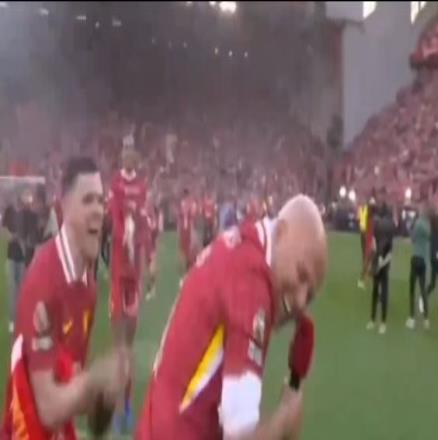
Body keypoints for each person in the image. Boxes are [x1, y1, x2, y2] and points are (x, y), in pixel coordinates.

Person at [136, 194, 328, 440]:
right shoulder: (252, 283)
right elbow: (240, 436)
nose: (301, 300)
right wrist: (284, 419)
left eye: (309, 295)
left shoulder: (242, 245)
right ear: (280, 232)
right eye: (301, 274)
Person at [2, 157, 130, 439]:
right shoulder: (44, 281)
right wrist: (95, 381)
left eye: (101, 201)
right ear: (63, 207)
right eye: (87, 200)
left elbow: (73, 391)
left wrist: (105, 397)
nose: (98, 210)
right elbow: (47, 409)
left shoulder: (88, 287)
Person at [109, 144, 147, 432]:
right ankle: (118, 408)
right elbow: (114, 222)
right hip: (119, 275)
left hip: (133, 278)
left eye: (132, 153)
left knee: (128, 348)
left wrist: (144, 272)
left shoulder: (142, 187)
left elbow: (143, 230)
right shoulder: (116, 184)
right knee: (119, 347)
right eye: (125, 153)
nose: (128, 157)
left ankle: (128, 405)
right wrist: (125, 233)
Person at [366, 203, 394, 335]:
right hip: (385, 261)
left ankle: (373, 320)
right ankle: (382, 323)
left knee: (375, 290)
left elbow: (374, 245)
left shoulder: (377, 225)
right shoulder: (391, 226)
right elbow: (390, 249)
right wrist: (384, 261)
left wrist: (375, 262)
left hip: (378, 259)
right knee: (384, 291)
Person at [2, 193, 26, 334]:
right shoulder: (9, 212)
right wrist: (14, 236)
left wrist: (21, 238)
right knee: (13, 289)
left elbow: (27, 234)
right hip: (11, 257)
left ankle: (22, 317)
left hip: (22, 256)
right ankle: (12, 320)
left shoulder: (24, 213)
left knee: (22, 288)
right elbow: (5, 232)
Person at [406, 202, 431, 330]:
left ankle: (412, 318)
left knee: (412, 289)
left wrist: (410, 229)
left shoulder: (418, 223)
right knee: (423, 289)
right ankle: (426, 319)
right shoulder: (428, 225)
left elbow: (413, 238)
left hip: (416, 257)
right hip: (424, 259)